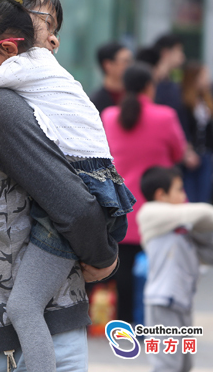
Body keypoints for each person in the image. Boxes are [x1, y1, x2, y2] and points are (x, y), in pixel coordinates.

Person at [0, 0, 133, 372]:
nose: (52, 38)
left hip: (3, 323)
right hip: (31, 330)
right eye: (47, 22)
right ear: (10, 22)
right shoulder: (0, 104)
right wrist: (104, 255)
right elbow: (73, 206)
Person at [101, 63, 186, 326]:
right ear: (150, 87)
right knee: (161, 268)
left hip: (123, 205)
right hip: (158, 205)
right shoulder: (165, 116)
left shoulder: (110, 116)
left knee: (124, 268)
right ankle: (156, 322)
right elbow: (179, 153)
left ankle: (126, 325)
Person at [137, 166, 213, 372]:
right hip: (162, 302)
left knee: (184, 365)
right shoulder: (150, 214)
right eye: (179, 190)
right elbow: (204, 212)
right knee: (167, 365)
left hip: (182, 303)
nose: (184, 195)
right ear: (160, 195)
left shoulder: (183, 223)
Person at [179, 61, 213, 203]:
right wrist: (187, 151)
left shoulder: (206, 99)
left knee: (204, 195)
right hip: (190, 155)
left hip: (206, 153)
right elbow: (182, 128)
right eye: (203, 76)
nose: (206, 79)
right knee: (189, 194)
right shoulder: (183, 101)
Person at [90, 41, 133, 114]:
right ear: (108, 65)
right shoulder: (94, 103)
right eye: (125, 61)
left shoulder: (136, 97)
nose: (131, 65)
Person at [153, 33, 186, 117]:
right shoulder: (151, 81)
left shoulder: (170, 81)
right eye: (179, 50)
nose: (182, 56)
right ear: (166, 53)